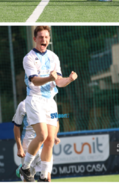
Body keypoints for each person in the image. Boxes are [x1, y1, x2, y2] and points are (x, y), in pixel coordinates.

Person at [19, 26, 78, 182]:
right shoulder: (29, 58)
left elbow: (59, 81)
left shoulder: (54, 57)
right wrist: (50, 79)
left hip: (50, 101)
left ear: (49, 39)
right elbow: (34, 80)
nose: (43, 40)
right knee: (42, 135)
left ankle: (44, 177)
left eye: (46, 37)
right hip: (35, 99)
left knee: (51, 139)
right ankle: (25, 168)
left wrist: (69, 80)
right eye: (40, 37)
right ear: (35, 39)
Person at [12, 99, 60, 182]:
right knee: (28, 180)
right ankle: (23, 169)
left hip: (44, 148)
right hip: (28, 148)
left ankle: (22, 169)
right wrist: (19, 147)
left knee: (46, 179)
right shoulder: (23, 105)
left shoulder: (50, 103)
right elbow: (16, 127)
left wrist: (54, 135)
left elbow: (55, 121)